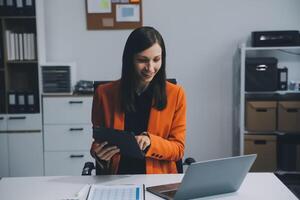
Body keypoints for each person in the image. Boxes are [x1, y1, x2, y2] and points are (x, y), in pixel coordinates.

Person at [90, 26, 186, 174]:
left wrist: (150, 142)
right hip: (118, 177)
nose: (150, 68)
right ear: (129, 60)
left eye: (156, 60)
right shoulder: (104, 94)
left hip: (158, 180)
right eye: (142, 60)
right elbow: (99, 141)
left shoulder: (176, 94)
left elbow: (178, 149)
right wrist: (99, 154)